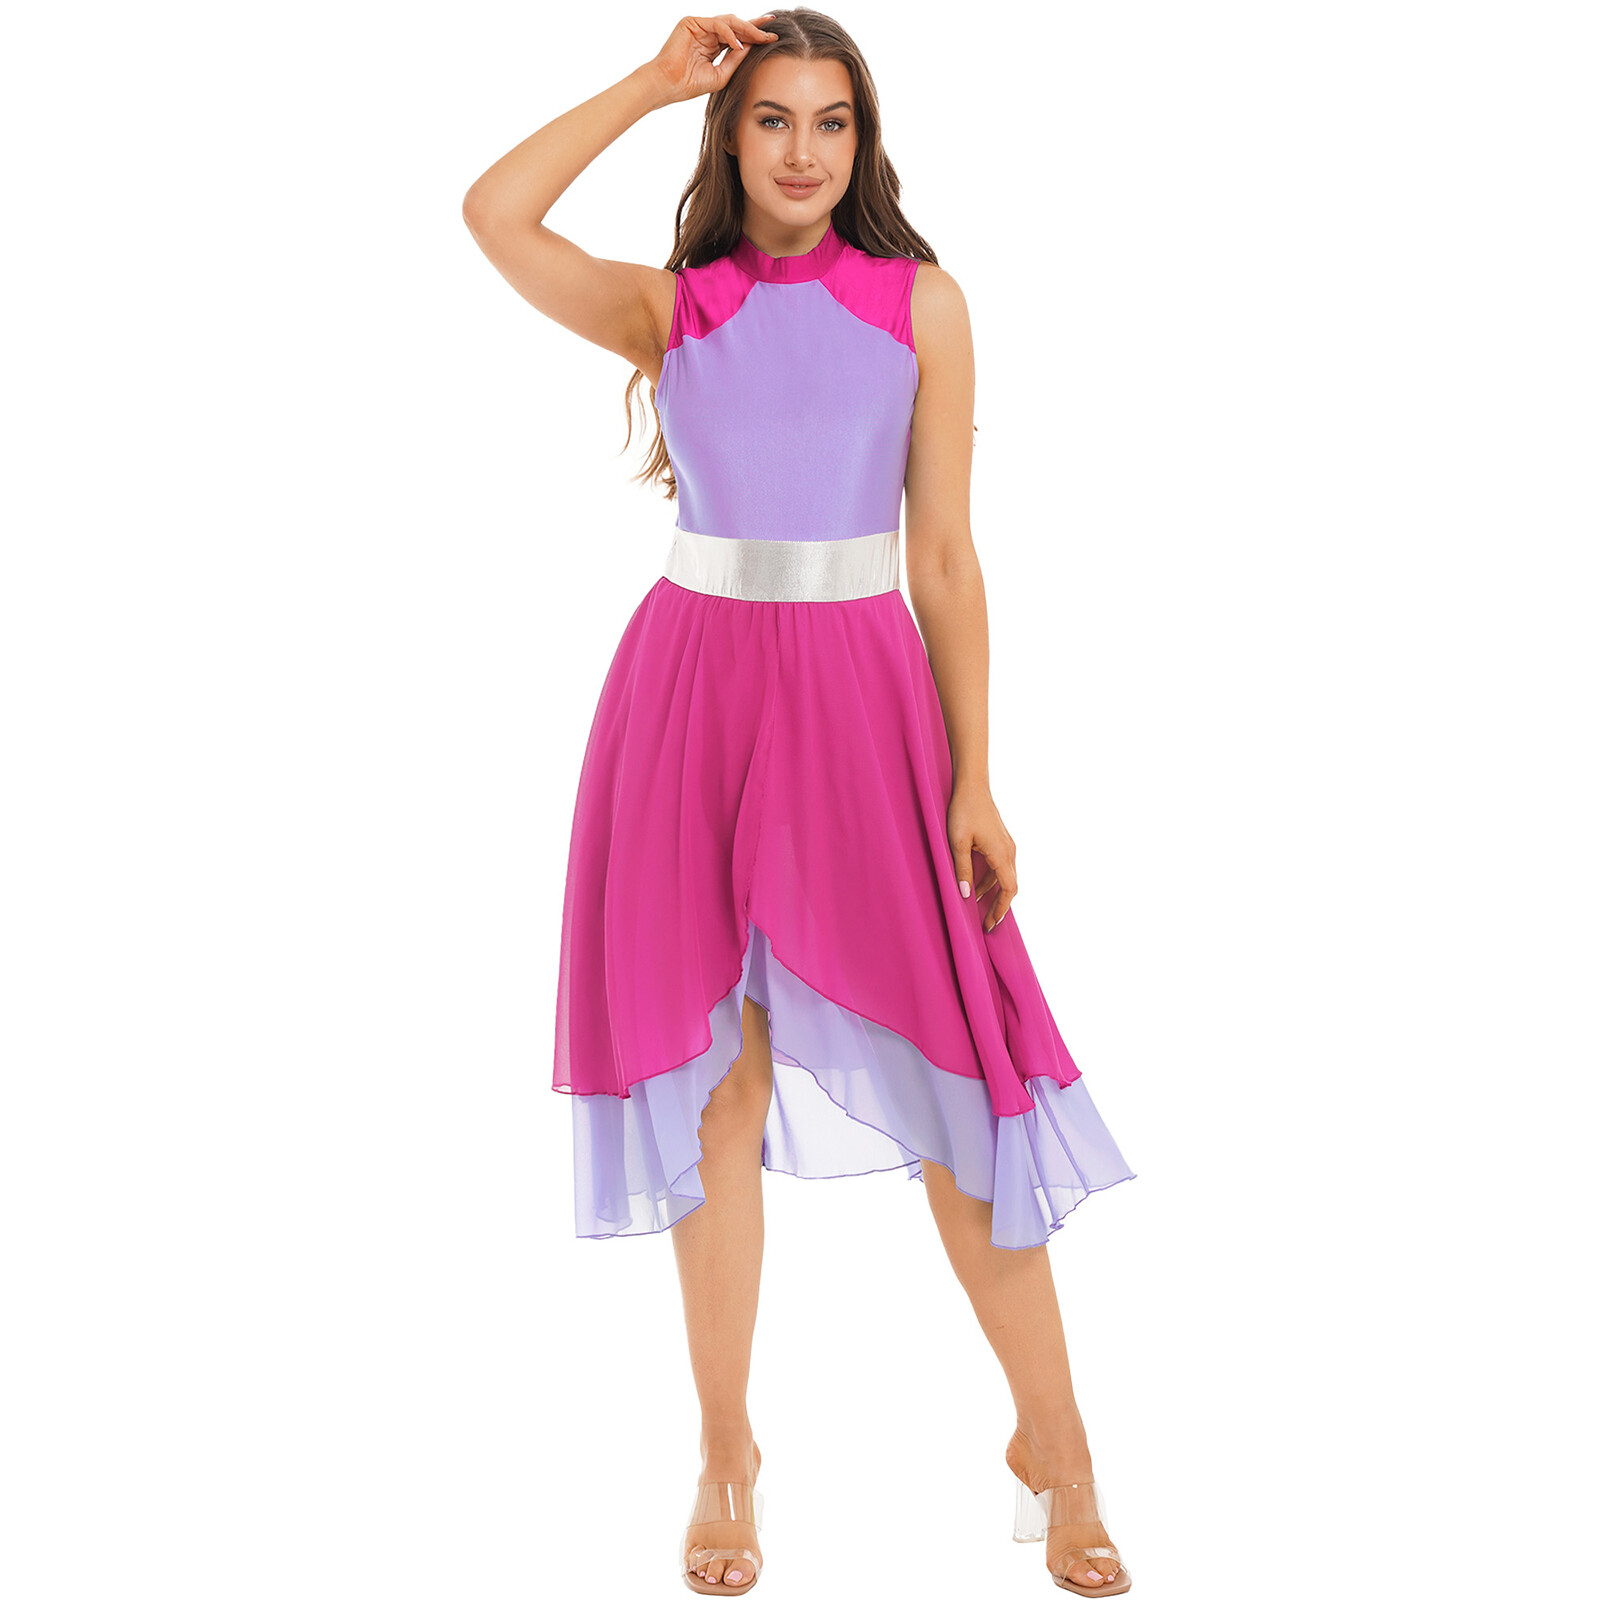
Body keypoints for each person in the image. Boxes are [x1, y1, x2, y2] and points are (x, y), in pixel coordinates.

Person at [463, 10, 1138, 1594]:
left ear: (863, 142)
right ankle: (725, 1452)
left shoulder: (921, 304)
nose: (803, 151)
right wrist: (651, 83)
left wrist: (976, 774)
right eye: (772, 119)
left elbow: (946, 557)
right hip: (688, 701)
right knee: (717, 1092)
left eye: (832, 122)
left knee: (963, 1088)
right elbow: (494, 214)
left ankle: (1058, 1443)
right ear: (731, 135)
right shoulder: (673, 308)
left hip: (861, 707)